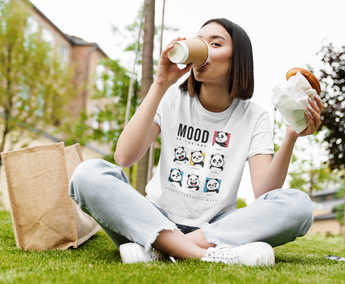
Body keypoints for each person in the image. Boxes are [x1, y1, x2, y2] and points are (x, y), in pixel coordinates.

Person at [69, 18, 323, 266]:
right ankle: (203, 255)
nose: (203, 49)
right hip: (153, 216)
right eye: (200, 42)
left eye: (216, 44)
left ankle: (159, 248)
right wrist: (160, 84)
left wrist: (291, 136)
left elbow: (266, 194)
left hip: (216, 228)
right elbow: (124, 157)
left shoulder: (254, 116)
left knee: (298, 206)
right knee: (87, 174)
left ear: (238, 59)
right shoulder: (170, 98)